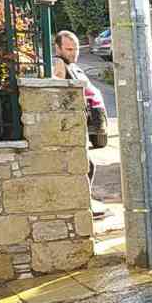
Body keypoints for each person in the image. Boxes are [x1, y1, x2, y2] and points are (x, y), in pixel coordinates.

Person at [51, 30, 109, 219]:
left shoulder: (73, 65)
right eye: (68, 49)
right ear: (58, 48)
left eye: (75, 48)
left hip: (84, 122)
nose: (73, 52)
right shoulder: (59, 63)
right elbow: (58, 85)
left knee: (87, 164)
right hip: (73, 123)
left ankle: (84, 203)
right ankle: (83, 206)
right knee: (85, 165)